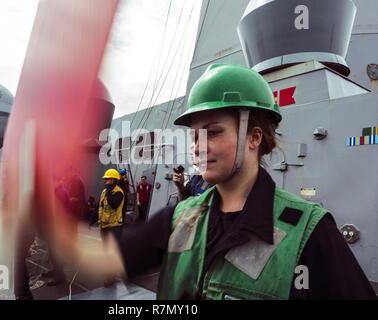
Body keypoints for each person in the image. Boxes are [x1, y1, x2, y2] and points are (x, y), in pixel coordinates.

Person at [75, 64, 377, 300]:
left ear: (254, 137)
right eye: (195, 136)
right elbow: (108, 262)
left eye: (213, 132)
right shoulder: (180, 217)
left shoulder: (309, 233)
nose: (197, 146)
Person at [99, 169, 125, 244]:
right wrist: (92, 220)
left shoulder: (119, 192)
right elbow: (100, 205)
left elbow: (113, 204)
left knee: (112, 248)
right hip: (104, 225)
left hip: (114, 227)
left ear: (113, 180)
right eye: (105, 179)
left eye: (107, 179)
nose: (105, 181)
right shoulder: (105, 191)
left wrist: (109, 191)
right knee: (105, 247)